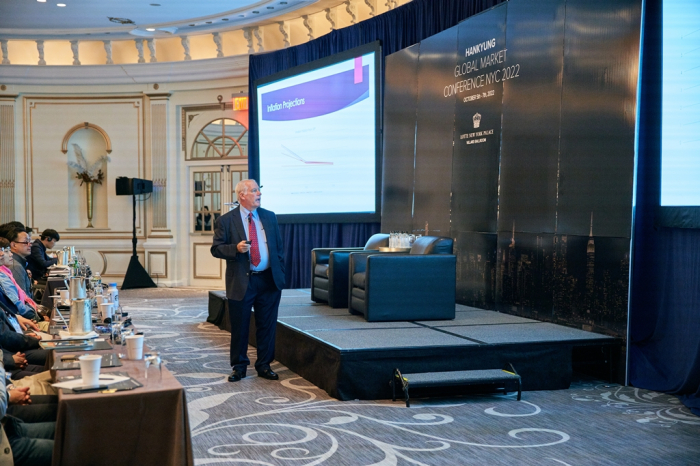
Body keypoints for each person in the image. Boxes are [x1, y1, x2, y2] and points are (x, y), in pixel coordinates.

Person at [210, 179, 285, 382]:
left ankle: (264, 365)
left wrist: (280, 271)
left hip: (269, 280)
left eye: (259, 191)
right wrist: (235, 248)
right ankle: (239, 366)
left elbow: (278, 248)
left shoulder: (269, 217)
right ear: (242, 195)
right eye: (254, 191)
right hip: (242, 281)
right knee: (240, 326)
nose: (259, 194)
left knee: (267, 324)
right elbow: (216, 249)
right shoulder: (226, 220)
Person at [4, 229, 33, 300]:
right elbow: (23, 299)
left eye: (29, 241)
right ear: (14, 245)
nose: (30, 244)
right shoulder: (15, 266)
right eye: (26, 242)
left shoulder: (18, 262)